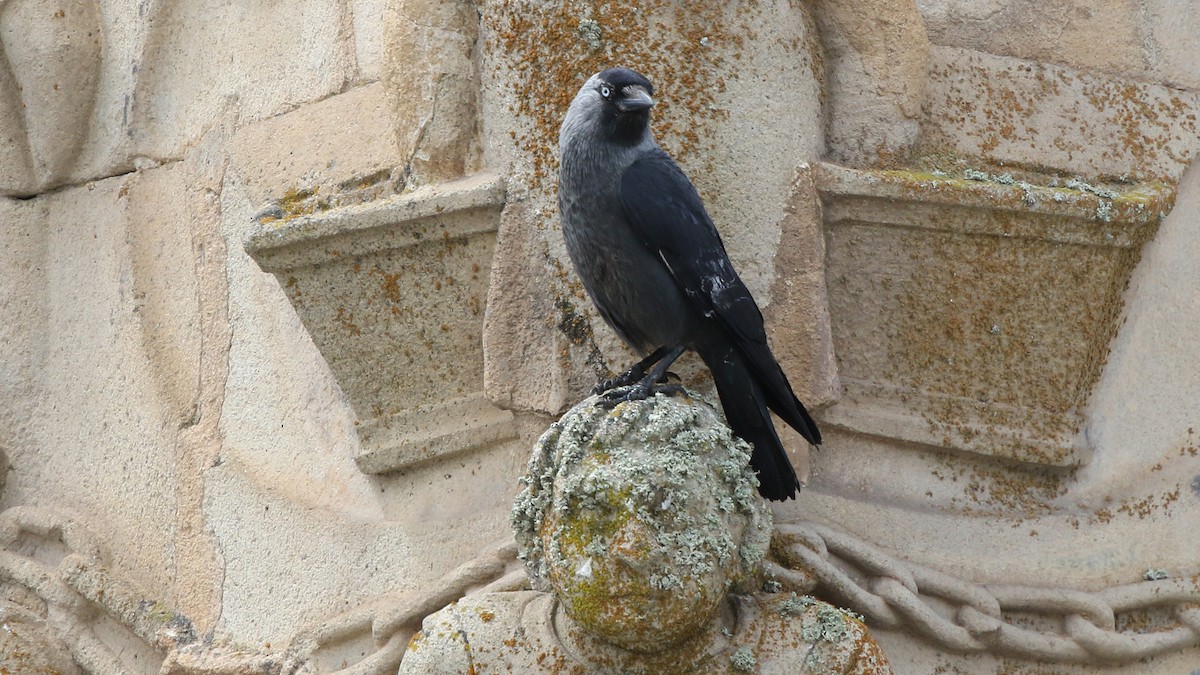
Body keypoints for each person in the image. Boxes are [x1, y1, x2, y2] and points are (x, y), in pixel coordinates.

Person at [400, 393, 890, 673]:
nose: (633, 549)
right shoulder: (466, 657)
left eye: (673, 512)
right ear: (536, 538)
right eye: (593, 513)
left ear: (747, 537)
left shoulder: (819, 658)